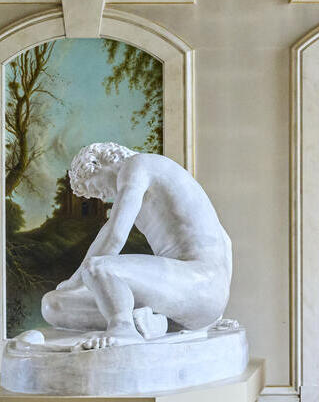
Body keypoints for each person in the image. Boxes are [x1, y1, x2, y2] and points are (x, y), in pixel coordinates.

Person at [41, 143, 233, 349]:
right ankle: (157, 323)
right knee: (54, 304)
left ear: (99, 163)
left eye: (94, 187)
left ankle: (123, 329)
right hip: (194, 298)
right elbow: (226, 241)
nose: (102, 196)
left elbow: (114, 237)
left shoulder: (137, 166)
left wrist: (76, 280)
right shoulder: (149, 182)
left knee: (97, 268)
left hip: (197, 283)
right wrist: (214, 313)